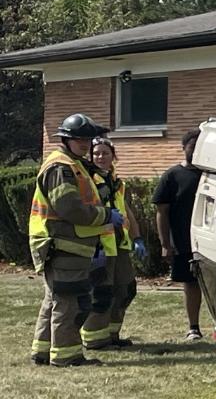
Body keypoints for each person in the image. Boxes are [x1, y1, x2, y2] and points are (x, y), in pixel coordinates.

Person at [27, 114, 118, 367]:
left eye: (88, 139)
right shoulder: (62, 167)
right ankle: (67, 356)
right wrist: (106, 215)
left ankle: (42, 350)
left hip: (62, 245)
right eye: (79, 139)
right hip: (63, 244)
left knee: (55, 299)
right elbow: (70, 208)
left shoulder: (72, 164)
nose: (85, 144)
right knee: (70, 301)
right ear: (66, 139)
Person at [79, 137, 143, 350]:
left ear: (113, 156)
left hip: (119, 244)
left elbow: (125, 210)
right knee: (101, 292)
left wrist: (137, 237)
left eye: (105, 153)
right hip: (99, 246)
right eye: (96, 153)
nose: (100, 157)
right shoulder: (87, 180)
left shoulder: (115, 181)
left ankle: (112, 333)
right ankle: (95, 339)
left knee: (125, 289)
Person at [153, 130, 204, 340]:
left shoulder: (212, 174)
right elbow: (161, 212)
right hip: (184, 242)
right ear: (184, 148)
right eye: (192, 146)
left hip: (212, 242)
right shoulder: (172, 176)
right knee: (190, 284)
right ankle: (194, 327)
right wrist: (165, 244)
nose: (196, 151)